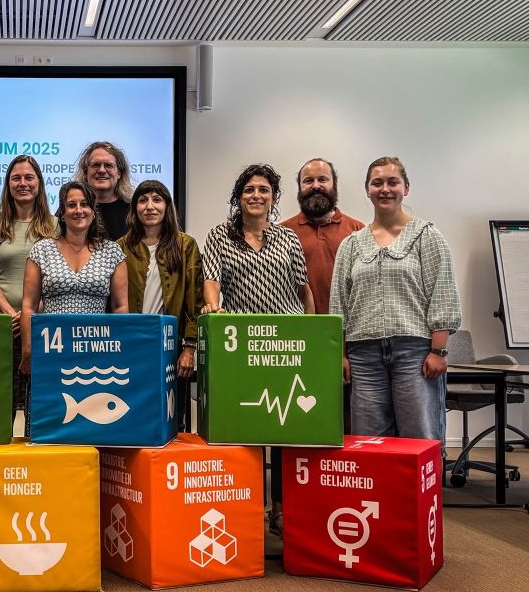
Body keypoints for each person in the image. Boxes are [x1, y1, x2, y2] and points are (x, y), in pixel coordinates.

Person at [202, 163, 313, 538]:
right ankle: (245, 508)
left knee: (284, 431)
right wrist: (212, 307)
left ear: (273, 198)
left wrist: (313, 335)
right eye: (249, 189)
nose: (256, 196)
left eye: (263, 190)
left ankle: (280, 509)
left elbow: (303, 291)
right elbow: (212, 283)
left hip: (287, 343)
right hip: (242, 346)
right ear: (239, 196)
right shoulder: (220, 236)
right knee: (244, 428)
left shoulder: (288, 239)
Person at [330, 156, 461, 447]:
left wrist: (438, 350)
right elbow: (339, 304)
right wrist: (340, 354)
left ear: (406, 188)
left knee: (420, 437)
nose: (385, 189)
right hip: (364, 356)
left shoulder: (427, 236)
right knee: (368, 440)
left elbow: (443, 294)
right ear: (367, 189)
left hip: (414, 353)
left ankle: (426, 493)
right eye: (377, 183)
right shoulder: (351, 245)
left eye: (392, 182)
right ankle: (377, 495)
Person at [118, 179, 204, 431]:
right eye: (143, 200)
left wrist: (189, 347)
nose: (150, 206)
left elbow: (195, 299)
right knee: (132, 416)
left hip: (171, 347)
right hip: (132, 345)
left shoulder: (185, 245)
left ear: (167, 206)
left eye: (157, 199)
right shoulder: (121, 247)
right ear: (134, 209)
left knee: (171, 421)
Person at [0, 155, 58, 420]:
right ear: (7, 184)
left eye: (29, 177)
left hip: (43, 326)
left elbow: (59, 275)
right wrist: (10, 315)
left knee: (40, 409)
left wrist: (30, 316)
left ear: (39, 183)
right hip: (2, 325)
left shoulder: (56, 226)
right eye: (16, 178)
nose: (23, 183)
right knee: (1, 407)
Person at [20, 181, 128, 376]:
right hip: (52, 347)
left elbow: (120, 307)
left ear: (93, 211)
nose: (79, 210)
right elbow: (29, 305)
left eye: (85, 204)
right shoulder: (42, 250)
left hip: (97, 348)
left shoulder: (112, 252)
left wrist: (118, 349)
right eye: (71, 205)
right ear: (62, 212)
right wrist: (27, 350)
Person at [280, 158, 364, 317]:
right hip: (296, 328)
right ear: (299, 187)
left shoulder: (358, 231)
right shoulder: (281, 232)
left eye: (323, 179)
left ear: (334, 185)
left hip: (347, 329)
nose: (316, 185)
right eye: (308, 181)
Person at [73, 141, 134, 240]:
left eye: (109, 165)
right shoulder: (72, 208)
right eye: (96, 165)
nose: (102, 170)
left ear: (119, 173)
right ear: (85, 172)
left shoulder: (133, 210)